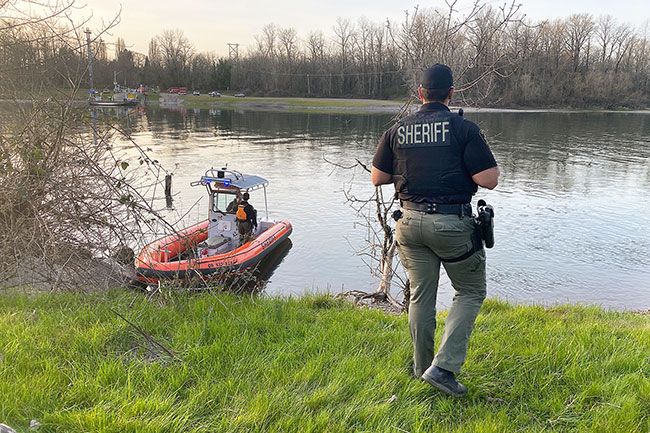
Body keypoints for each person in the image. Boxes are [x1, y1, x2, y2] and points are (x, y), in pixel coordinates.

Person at [371, 63, 500, 397]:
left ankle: (421, 369)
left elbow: (378, 177)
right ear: (451, 93)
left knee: (421, 295)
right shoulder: (463, 129)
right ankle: (442, 369)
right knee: (470, 292)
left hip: (409, 224)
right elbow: (489, 180)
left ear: (420, 94)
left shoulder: (397, 130)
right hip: (451, 224)